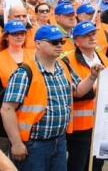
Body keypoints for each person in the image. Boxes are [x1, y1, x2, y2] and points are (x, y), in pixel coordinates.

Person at [0, 25, 102, 171]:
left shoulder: (63, 66)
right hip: (33, 145)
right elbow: (7, 109)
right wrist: (16, 144)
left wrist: (92, 76)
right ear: (38, 44)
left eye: (61, 41)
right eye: (54, 42)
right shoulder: (24, 72)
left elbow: (78, 91)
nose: (60, 45)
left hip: (59, 141)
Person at [63, 21, 108, 171]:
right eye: (86, 36)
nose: (92, 38)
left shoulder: (102, 57)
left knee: (97, 164)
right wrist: (97, 86)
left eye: (93, 34)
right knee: (78, 164)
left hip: (101, 122)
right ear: (76, 41)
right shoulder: (67, 61)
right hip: (81, 126)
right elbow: (75, 93)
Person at [0, 20, 35, 156]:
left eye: (22, 33)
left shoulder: (33, 55)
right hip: (5, 119)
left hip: (31, 119)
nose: (19, 37)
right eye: (15, 34)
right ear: (7, 36)